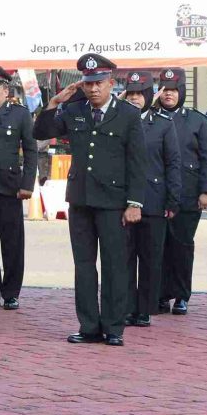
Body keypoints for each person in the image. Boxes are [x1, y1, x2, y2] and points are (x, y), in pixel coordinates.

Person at [33, 54, 147, 347]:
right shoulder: (74, 111)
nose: (93, 89)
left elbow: (136, 163)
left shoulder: (128, 115)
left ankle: (113, 327)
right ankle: (88, 325)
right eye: (88, 83)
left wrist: (135, 203)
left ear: (111, 82)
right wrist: (55, 103)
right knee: (84, 265)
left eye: (99, 83)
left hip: (113, 202)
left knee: (114, 265)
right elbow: (41, 132)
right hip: (81, 199)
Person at [121, 71, 180, 327]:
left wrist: (172, 200)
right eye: (130, 93)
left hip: (154, 201)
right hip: (122, 202)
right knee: (123, 258)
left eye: (139, 94)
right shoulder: (117, 122)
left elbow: (173, 163)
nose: (135, 98)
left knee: (150, 259)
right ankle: (125, 307)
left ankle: (144, 309)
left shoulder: (163, 124)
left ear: (148, 95)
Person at [0, 63, 37, 311]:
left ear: (6, 90)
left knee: (12, 243)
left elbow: (31, 150)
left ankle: (11, 292)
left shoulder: (19, 114)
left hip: (10, 188)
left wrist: (27, 184)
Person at [156, 68, 207, 316]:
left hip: (188, 194)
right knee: (158, 247)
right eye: (165, 90)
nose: (168, 95)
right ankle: (159, 295)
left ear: (181, 92)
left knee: (181, 246)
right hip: (158, 194)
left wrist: (206, 190)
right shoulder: (150, 118)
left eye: (173, 90)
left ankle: (181, 296)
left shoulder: (196, 121)